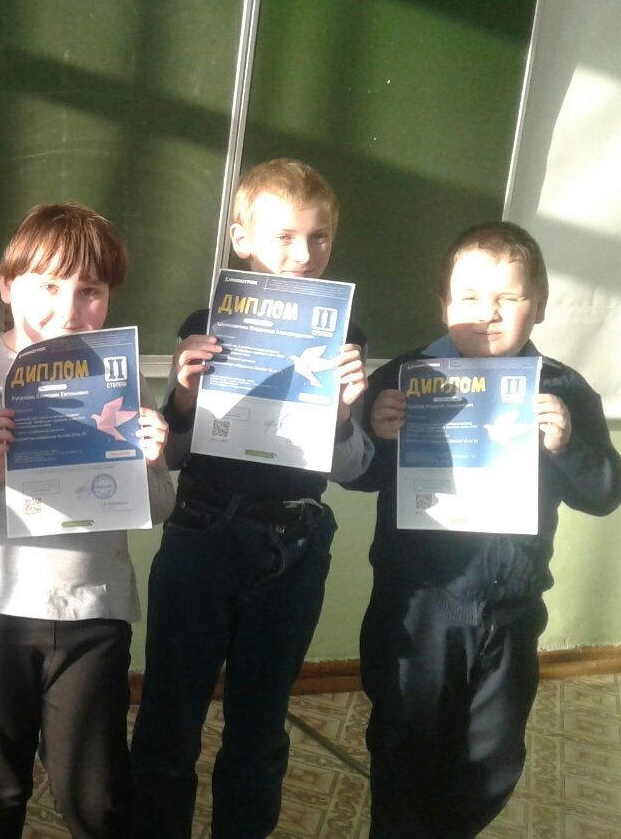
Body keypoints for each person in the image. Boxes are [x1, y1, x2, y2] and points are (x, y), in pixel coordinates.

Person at [346, 221, 621, 837]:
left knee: (494, 758)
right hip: (418, 604)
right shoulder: (402, 378)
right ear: (443, 303)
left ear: (540, 306)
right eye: (470, 296)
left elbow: (607, 494)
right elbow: (357, 476)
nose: (488, 313)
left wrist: (567, 446)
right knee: (403, 743)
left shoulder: (562, 390)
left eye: (509, 297)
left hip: (513, 608)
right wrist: (378, 433)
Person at [0, 203, 175, 838]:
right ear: (7, 285)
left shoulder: (121, 375)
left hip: (91, 610)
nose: (68, 310)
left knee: (97, 799)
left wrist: (151, 462)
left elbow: (159, 507)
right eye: (47, 286)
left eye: (90, 291)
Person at [129, 158, 370, 837]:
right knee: (170, 717)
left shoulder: (345, 337)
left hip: (295, 541)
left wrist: (342, 415)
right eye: (284, 237)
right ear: (241, 240)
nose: (303, 254)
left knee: (260, 728)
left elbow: (352, 468)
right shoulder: (205, 324)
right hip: (202, 530)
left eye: (319, 238)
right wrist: (183, 396)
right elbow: (173, 455)